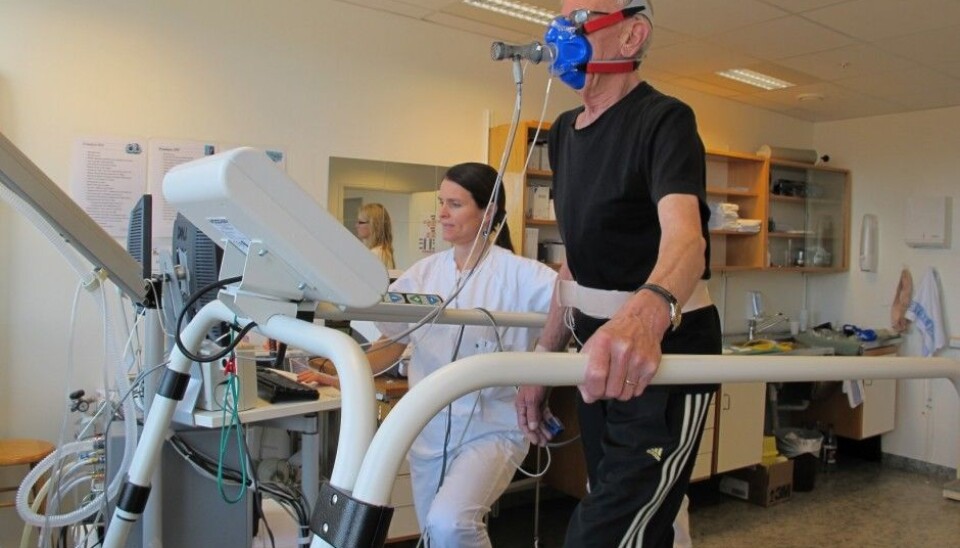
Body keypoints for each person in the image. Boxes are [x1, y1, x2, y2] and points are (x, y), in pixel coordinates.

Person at [515, 1, 721, 547]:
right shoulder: (563, 132)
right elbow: (577, 261)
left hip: (666, 352)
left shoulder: (664, 120)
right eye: (562, 15)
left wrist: (644, 316)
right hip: (597, 356)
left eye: (582, 16)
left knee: (605, 534)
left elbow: (686, 240)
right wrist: (542, 362)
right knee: (632, 520)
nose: (562, 30)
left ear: (632, 36)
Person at [301, 162, 557, 548]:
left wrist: (540, 365)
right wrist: (339, 375)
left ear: (487, 213)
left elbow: (570, 307)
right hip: (429, 430)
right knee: (436, 536)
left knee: (451, 524)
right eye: (441, 202)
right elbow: (391, 343)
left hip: (493, 429)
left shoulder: (521, 274)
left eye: (454, 204)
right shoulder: (424, 275)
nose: (440, 214)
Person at [356, 202, 396, 269]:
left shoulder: (376, 253)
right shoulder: (383, 251)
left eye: (360, 222)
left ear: (374, 225)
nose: (356, 226)